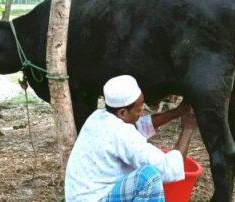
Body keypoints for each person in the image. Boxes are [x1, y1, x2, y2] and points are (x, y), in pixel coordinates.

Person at [65, 75, 197, 202]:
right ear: (122, 113)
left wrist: (178, 112)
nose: (142, 112)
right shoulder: (121, 133)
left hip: (83, 196)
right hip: (96, 198)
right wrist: (188, 129)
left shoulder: (99, 116)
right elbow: (168, 170)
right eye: (139, 110)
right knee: (149, 177)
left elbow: (139, 126)